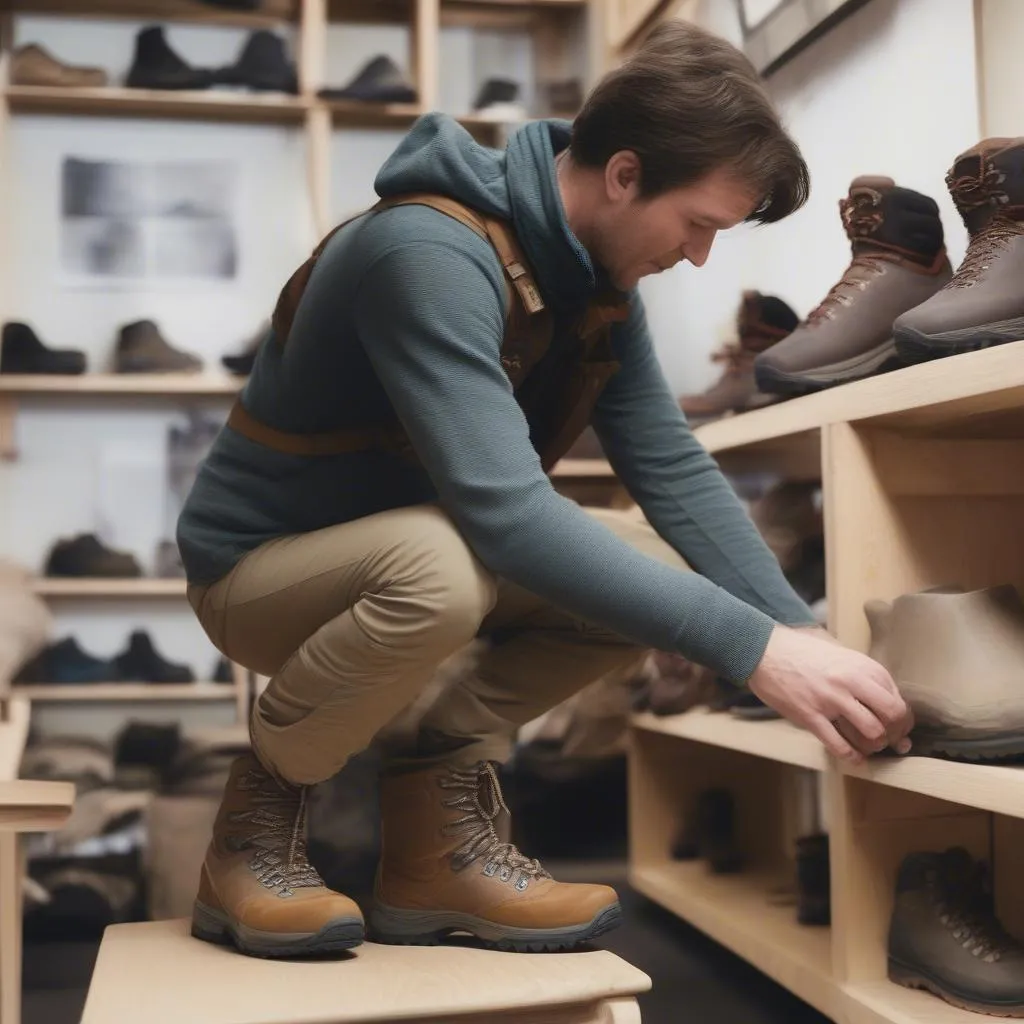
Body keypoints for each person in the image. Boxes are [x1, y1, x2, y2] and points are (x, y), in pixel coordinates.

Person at [177, 19, 913, 960]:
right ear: (623, 175)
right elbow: (508, 517)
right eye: (699, 226)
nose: (699, 259)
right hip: (256, 571)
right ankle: (252, 835)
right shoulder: (427, 254)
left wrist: (793, 634)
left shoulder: (592, 282)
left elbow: (670, 465)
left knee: (640, 571)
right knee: (443, 568)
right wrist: (753, 650)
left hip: (415, 550)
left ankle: (434, 839)